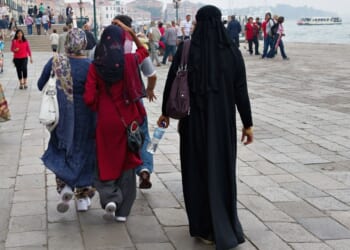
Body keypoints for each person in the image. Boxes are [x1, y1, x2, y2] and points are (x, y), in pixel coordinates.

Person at [158, 5, 253, 249]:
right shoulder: (231, 50)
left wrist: (165, 114)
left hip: (193, 125)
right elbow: (241, 91)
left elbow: (172, 80)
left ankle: (203, 228)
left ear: (199, 22)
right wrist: (247, 124)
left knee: (195, 171)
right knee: (221, 171)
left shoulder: (187, 48)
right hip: (222, 126)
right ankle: (224, 224)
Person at [84, 21, 149, 222]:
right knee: (127, 162)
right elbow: (144, 51)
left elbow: (88, 98)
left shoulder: (96, 66)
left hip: (105, 118)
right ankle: (123, 212)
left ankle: (110, 197)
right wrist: (131, 32)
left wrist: (99, 106)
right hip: (128, 119)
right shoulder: (129, 60)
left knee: (106, 159)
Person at [37, 28, 96, 213]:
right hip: (85, 117)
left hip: (61, 117)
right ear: (83, 44)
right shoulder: (90, 65)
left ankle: (65, 187)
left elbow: (41, 85)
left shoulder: (56, 61)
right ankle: (83, 198)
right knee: (85, 152)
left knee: (61, 149)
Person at [113, 14, 157, 189]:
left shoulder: (101, 49)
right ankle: (144, 169)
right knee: (144, 138)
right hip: (134, 104)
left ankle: (115, 175)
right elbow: (152, 75)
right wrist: (149, 89)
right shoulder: (134, 51)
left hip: (113, 105)